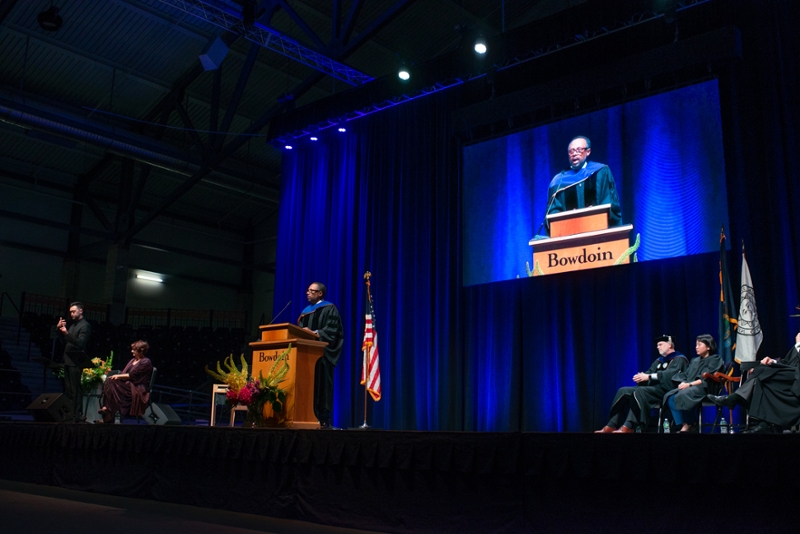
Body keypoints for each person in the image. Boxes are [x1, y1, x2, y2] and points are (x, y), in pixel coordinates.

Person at [708, 332, 800, 433]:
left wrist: (798, 344)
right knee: (761, 375)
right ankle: (764, 424)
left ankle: (736, 399)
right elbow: (786, 362)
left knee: (762, 372)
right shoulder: (797, 347)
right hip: (788, 377)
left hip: (796, 379)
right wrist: (773, 361)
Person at [595, 335, 688, 433]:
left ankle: (628, 426)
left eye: (660, 344)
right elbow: (650, 372)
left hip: (667, 391)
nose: (658, 347)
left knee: (640, 391)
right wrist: (642, 377)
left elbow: (670, 375)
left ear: (669, 345)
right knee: (623, 390)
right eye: (657, 345)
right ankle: (611, 424)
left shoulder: (679, 359)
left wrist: (649, 376)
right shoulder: (659, 361)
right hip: (652, 390)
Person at [544, 136, 622, 235]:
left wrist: (594, 212)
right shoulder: (559, 181)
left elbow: (609, 202)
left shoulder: (600, 172)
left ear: (588, 152)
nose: (574, 154)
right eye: (571, 151)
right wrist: (568, 216)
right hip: (570, 234)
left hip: (598, 232)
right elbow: (552, 211)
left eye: (579, 150)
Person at [298, 282, 344, 429]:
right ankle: (306, 417)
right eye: (307, 290)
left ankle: (323, 419)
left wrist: (315, 333)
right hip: (306, 355)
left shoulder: (329, 308)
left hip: (322, 356)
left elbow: (332, 331)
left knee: (323, 387)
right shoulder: (306, 311)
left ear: (320, 294)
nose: (308, 293)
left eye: (312, 291)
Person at [662, 334, 723, 433]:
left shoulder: (715, 359)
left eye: (699, 344)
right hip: (690, 386)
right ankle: (685, 423)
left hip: (705, 388)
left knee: (683, 394)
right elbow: (687, 374)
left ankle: (689, 424)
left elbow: (706, 377)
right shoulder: (695, 360)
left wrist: (689, 384)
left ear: (708, 346)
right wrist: (681, 381)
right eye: (696, 345)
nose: (696, 347)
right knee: (670, 397)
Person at [97, 340, 153, 424]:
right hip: (127, 385)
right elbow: (124, 373)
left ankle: (108, 414)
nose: (131, 351)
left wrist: (118, 376)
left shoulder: (146, 362)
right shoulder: (132, 360)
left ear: (141, 350)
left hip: (136, 387)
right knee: (110, 381)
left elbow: (132, 375)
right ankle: (108, 410)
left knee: (113, 384)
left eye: (134, 350)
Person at [57, 301, 92, 422]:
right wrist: (59, 330)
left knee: (76, 389)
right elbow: (65, 341)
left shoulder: (85, 325)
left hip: (76, 361)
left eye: (73, 311)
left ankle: (77, 414)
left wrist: (66, 333)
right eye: (70, 312)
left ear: (80, 311)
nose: (71, 314)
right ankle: (70, 413)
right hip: (68, 360)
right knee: (69, 390)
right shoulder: (73, 325)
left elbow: (81, 343)